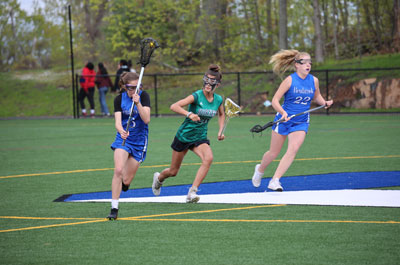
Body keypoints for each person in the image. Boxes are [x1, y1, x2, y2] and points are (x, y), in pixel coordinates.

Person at [251, 49, 333, 191]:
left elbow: (316, 97)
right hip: (283, 120)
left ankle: (275, 180)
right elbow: (275, 100)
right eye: (304, 62)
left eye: (310, 62)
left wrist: (324, 102)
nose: (308, 65)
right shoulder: (289, 80)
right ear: (297, 65)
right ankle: (260, 169)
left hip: (301, 121)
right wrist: (282, 112)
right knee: (273, 152)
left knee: (293, 149)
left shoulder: (314, 80)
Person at [152, 64, 225, 203]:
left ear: (218, 84)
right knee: (173, 171)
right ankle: (159, 178)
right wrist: (189, 114)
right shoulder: (196, 96)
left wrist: (220, 130)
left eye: (212, 81)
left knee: (208, 158)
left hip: (200, 137)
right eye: (207, 79)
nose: (208, 83)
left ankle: (192, 192)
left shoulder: (218, 99)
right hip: (184, 136)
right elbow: (174, 106)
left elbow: (221, 115)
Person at [107, 71, 151, 220]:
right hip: (123, 139)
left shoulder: (143, 96)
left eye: (136, 87)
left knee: (125, 180)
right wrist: (121, 130)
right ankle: (114, 208)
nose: (134, 90)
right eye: (130, 87)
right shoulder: (119, 99)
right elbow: (118, 123)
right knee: (118, 170)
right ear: (124, 87)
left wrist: (138, 103)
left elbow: (146, 120)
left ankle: (124, 185)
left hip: (139, 142)